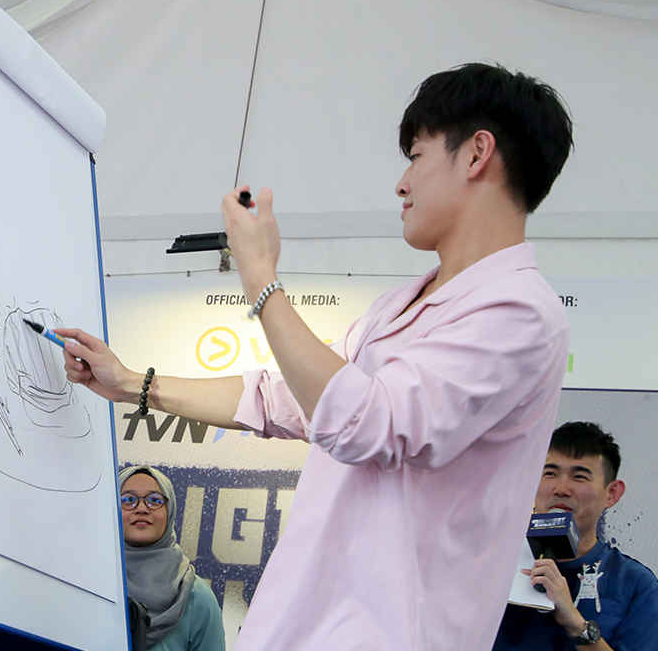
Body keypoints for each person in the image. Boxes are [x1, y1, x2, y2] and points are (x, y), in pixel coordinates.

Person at [59, 62, 573, 650]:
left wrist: (261, 279)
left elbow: (370, 422)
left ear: (477, 153)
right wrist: (131, 383)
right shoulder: (393, 308)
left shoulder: (520, 311)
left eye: (416, 156)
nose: (402, 184)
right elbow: (279, 398)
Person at [493, 421, 658, 650]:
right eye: (550, 473)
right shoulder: (494, 561)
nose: (561, 489)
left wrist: (575, 623)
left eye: (579, 477)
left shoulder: (635, 584)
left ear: (611, 493)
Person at [120, 465, 224, 651]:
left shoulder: (196, 597)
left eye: (154, 500)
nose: (141, 508)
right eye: (128, 499)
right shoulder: (91, 585)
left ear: (170, 511)